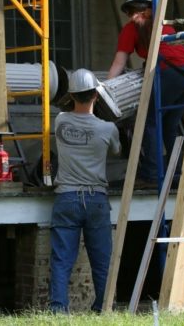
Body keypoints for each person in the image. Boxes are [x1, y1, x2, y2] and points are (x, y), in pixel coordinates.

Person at [107, 0, 184, 185]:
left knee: (149, 121)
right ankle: (178, 171)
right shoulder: (163, 25)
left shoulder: (131, 30)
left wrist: (105, 88)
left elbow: (119, 62)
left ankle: (152, 173)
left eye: (132, 12)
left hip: (170, 74)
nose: (133, 16)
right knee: (169, 125)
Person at [49, 68, 121, 313]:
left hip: (66, 198)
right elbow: (117, 151)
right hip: (96, 200)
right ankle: (103, 307)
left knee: (61, 260)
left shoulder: (59, 121)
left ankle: (58, 310)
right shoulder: (108, 128)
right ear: (96, 97)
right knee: (101, 261)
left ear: (71, 96)